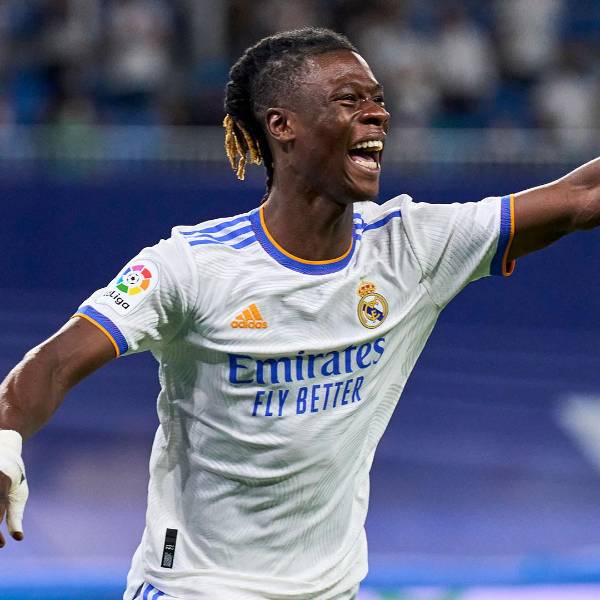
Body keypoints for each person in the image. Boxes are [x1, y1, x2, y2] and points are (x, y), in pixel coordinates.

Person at [0, 27, 599, 600]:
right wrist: (5, 443)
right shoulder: (191, 266)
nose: (378, 114)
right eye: (349, 100)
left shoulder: (413, 247)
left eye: (378, 100)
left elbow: (579, 199)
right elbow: (52, 364)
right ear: (282, 125)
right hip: (196, 587)